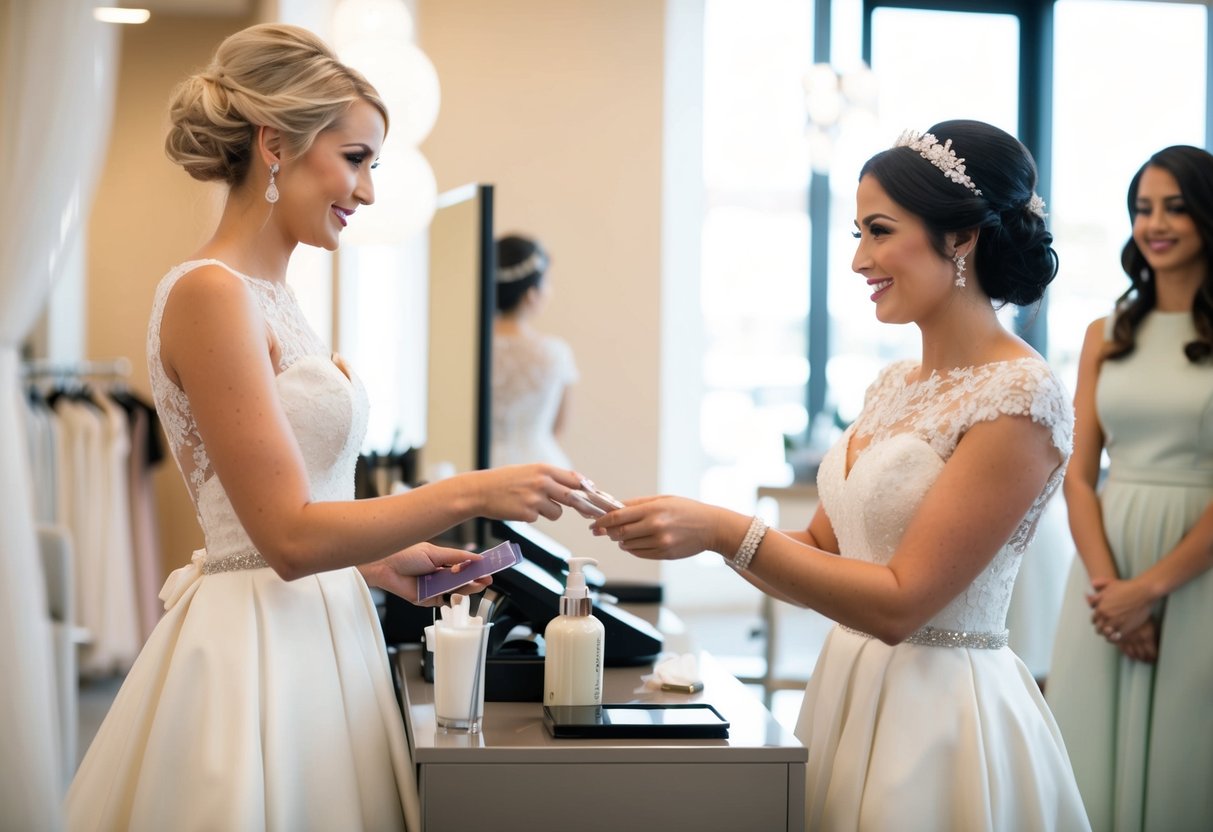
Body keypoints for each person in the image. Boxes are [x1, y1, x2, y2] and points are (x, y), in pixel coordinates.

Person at [65, 23, 589, 832]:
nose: (370, 191)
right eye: (356, 159)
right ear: (275, 144)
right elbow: (285, 537)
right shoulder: (211, 294)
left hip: (322, 622)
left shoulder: (274, 298)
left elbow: (295, 504)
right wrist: (472, 491)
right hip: (258, 647)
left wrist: (379, 556)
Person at [593, 120, 1091, 831]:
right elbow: (823, 553)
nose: (859, 260)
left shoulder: (1020, 398)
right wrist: (694, 527)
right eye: (857, 234)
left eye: (879, 231)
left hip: (941, 718)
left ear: (961, 238)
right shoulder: (892, 384)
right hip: (847, 689)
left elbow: (898, 604)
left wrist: (722, 529)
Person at [1046, 145, 1213, 832]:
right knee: (1087, 758)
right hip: (1103, 571)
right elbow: (1076, 477)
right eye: (1142, 208)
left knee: (1186, 757)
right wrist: (1112, 591)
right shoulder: (1102, 335)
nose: (1155, 223)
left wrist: (1149, 591)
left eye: (1174, 206)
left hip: (1196, 574)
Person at [490, 233, 578, 468]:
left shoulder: (469, 350)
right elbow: (558, 428)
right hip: (539, 467)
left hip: (477, 467)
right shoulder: (555, 353)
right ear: (531, 295)